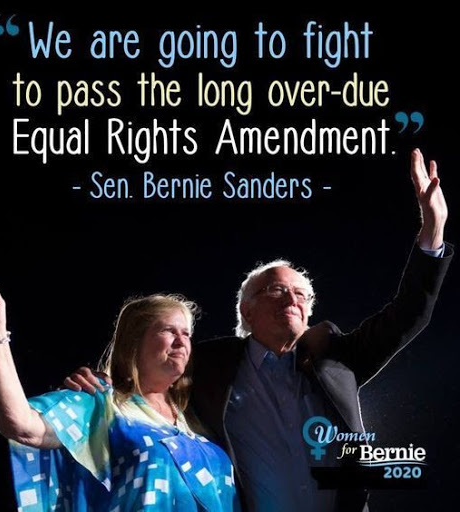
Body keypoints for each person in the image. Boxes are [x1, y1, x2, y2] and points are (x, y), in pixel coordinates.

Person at [65, 149, 453, 512]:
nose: (293, 300)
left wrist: (432, 233)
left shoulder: (335, 355)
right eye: (278, 290)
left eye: (301, 294)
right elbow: (151, 373)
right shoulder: (209, 366)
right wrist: (105, 386)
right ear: (247, 309)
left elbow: (407, 317)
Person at [0, 283, 240, 512]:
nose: (181, 341)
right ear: (134, 342)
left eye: (187, 334)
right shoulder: (102, 403)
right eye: (168, 330)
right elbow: (20, 424)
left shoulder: (199, 415)